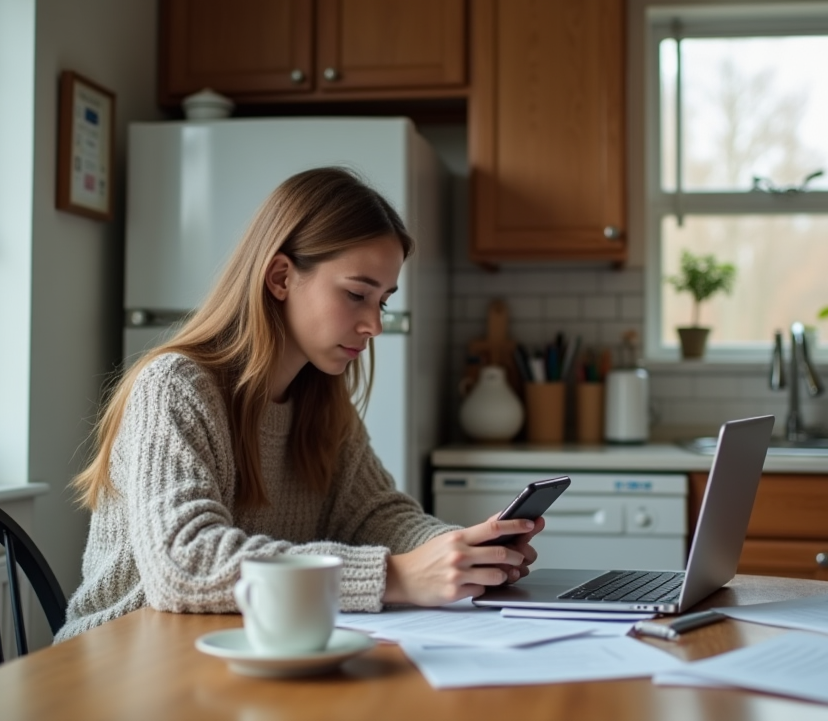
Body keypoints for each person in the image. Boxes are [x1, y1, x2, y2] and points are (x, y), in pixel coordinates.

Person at [56, 167, 543, 642]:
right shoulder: (174, 387)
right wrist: (395, 576)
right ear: (281, 278)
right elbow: (185, 562)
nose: (374, 325)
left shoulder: (321, 401)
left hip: (240, 652)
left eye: (383, 302)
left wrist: (462, 552)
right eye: (356, 294)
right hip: (120, 663)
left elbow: (375, 516)